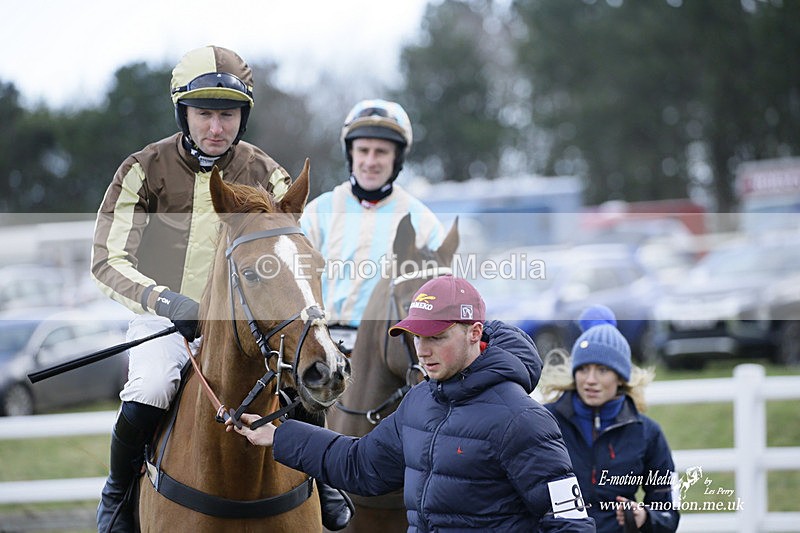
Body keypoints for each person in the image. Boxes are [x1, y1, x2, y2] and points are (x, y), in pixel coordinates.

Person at [91, 45, 351, 532]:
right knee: (150, 386)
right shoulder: (142, 169)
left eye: (227, 115)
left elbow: (294, 257)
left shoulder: (268, 173)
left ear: (242, 117)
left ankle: (326, 479)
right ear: (183, 113)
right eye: (205, 113)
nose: (216, 127)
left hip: (252, 319)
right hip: (168, 317)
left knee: (302, 375)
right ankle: (119, 493)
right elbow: (107, 260)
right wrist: (170, 303)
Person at [227, 274, 596, 532]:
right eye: (416, 335)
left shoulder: (524, 419)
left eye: (436, 336)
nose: (422, 349)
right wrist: (279, 437)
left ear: (475, 333)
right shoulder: (420, 401)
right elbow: (361, 466)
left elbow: (570, 522)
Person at [300, 99, 445, 350]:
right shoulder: (317, 212)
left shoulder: (423, 222)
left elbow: (441, 294)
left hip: (388, 351)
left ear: (397, 158)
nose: (370, 161)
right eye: (363, 150)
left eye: (381, 152)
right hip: (321, 344)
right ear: (350, 153)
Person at [538, 305, 680, 532]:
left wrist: (646, 517)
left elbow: (669, 510)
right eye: (583, 369)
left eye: (602, 370)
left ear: (621, 377)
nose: (590, 380)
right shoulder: (544, 423)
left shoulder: (647, 433)